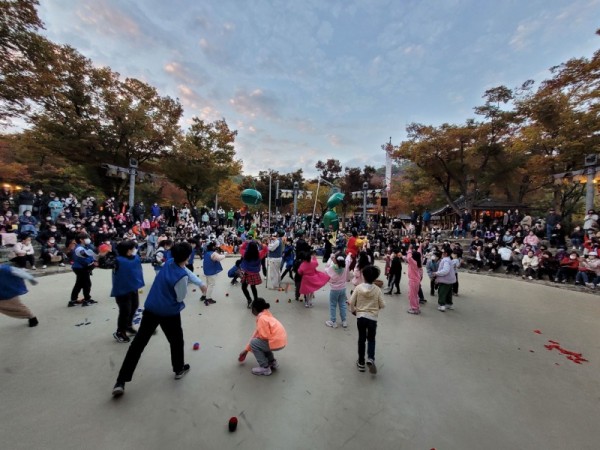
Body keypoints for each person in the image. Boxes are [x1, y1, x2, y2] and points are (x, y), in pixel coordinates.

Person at [111, 242, 207, 397]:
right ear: (187, 257)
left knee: (138, 345)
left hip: (151, 309)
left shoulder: (169, 263)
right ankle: (178, 369)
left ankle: (120, 381)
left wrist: (200, 283)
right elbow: (180, 296)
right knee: (176, 341)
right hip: (169, 313)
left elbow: (187, 273)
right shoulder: (181, 277)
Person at [349, 265, 385, 374]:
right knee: (371, 339)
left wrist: (353, 311)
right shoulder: (377, 290)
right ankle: (370, 358)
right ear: (375, 278)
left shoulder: (358, 288)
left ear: (363, 276)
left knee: (361, 339)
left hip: (361, 317)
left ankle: (361, 362)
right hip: (372, 318)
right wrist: (376, 307)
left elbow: (351, 301)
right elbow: (383, 305)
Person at [238, 298, 287, 376]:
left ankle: (265, 368)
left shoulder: (261, 319)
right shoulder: (266, 314)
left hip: (276, 342)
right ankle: (272, 362)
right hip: (281, 340)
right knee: (260, 343)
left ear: (254, 309)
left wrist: (251, 345)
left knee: (255, 343)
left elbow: (264, 337)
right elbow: (257, 333)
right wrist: (246, 350)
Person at [111, 241, 145, 343]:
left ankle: (128, 326)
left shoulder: (136, 258)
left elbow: (147, 260)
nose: (135, 250)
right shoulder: (117, 261)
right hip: (122, 290)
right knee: (125, 311)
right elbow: (104, 264)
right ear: (127, 250)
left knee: (134, 306)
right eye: (132, 248)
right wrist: (103, 256)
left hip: (134, 288)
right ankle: (120, 332)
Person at [68, 232, 97, 307]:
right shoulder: (79, 248)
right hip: (80, 268)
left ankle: (73, 300)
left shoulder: (84, 247)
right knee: (86, 284)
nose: (88, 239)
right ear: (81, 240)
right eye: (86, 238)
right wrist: (94, 260)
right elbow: (84, 256)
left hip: (80, 267)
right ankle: (86, 300)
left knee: (79, 284)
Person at [239, 238, 268, 308]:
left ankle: (249, 300)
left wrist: (246, 242)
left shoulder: (245, 253)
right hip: (254, 273)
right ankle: (255, 301)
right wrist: (260, 243)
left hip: (246, 272)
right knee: (253, 287)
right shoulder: (259, 254)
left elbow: (241, 248)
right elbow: (266, 249)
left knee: (244, 287)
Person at [324, 253, 349, 328]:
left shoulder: (332, 268)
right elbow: (347, 260)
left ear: (336, 260)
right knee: (342, 304)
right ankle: (344, 321)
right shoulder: (345, 266)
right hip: (343, 288)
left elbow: (326, 271)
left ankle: (333, 321)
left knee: (333, 305)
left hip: (334, 289)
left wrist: (329, 260)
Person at [201, 241, 225, 306]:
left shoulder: (206, 253)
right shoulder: (213, 253)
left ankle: (204, 295)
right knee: (211, 285)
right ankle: (208, 298)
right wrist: (224, 254)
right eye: (215, 246)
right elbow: (219, 258)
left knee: (208, 284)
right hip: (211, 272)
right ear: (213, 247)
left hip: (206, 271)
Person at [433, 247, 456, 312]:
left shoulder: (445, 260)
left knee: (442, 292)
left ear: (445, 253)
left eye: (443, 252)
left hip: (445, 280)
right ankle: (449, 304)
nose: (442, 253)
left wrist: (437, 273)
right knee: (449, 293)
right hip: (450, 280)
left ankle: (442, 305)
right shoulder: (449, 259)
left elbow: (446, 270)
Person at [405, 246, 423, 315]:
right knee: (415, 295)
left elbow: (409, 257)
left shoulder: (413, 263)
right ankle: (416, 307)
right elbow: (419, 253)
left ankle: (414, 308)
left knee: (412, 295)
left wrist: (409, 249)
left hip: (413, 281)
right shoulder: (418, 261)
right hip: (416, 281)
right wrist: (420, 247)